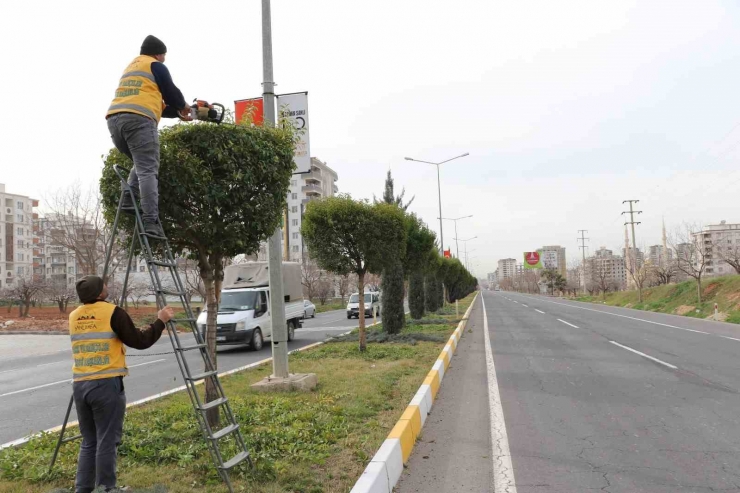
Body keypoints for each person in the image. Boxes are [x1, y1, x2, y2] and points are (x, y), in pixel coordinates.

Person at [69, 275, 174, 493]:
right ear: (99, 292)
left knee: (89, 441)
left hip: (80, 384)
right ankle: (107, 488)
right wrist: (160, 321)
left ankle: (83, 489)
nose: (107, 287)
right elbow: (139, 340)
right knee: (107, 440)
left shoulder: (74, 316)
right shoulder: (112, 312)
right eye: (104, 285)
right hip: (105, 385)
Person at [106, 35, 192, 238]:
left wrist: (178, 112)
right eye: (164, 56)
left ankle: (128, 196)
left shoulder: (132, 68)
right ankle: (151, 221)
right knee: (148, 169)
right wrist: (185, 106)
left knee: (142, 162)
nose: (164, 60)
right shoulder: (156, 65)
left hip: (115, 121)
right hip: (139, 121)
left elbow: (159, 105)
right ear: (159, 53)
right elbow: (171, 93)